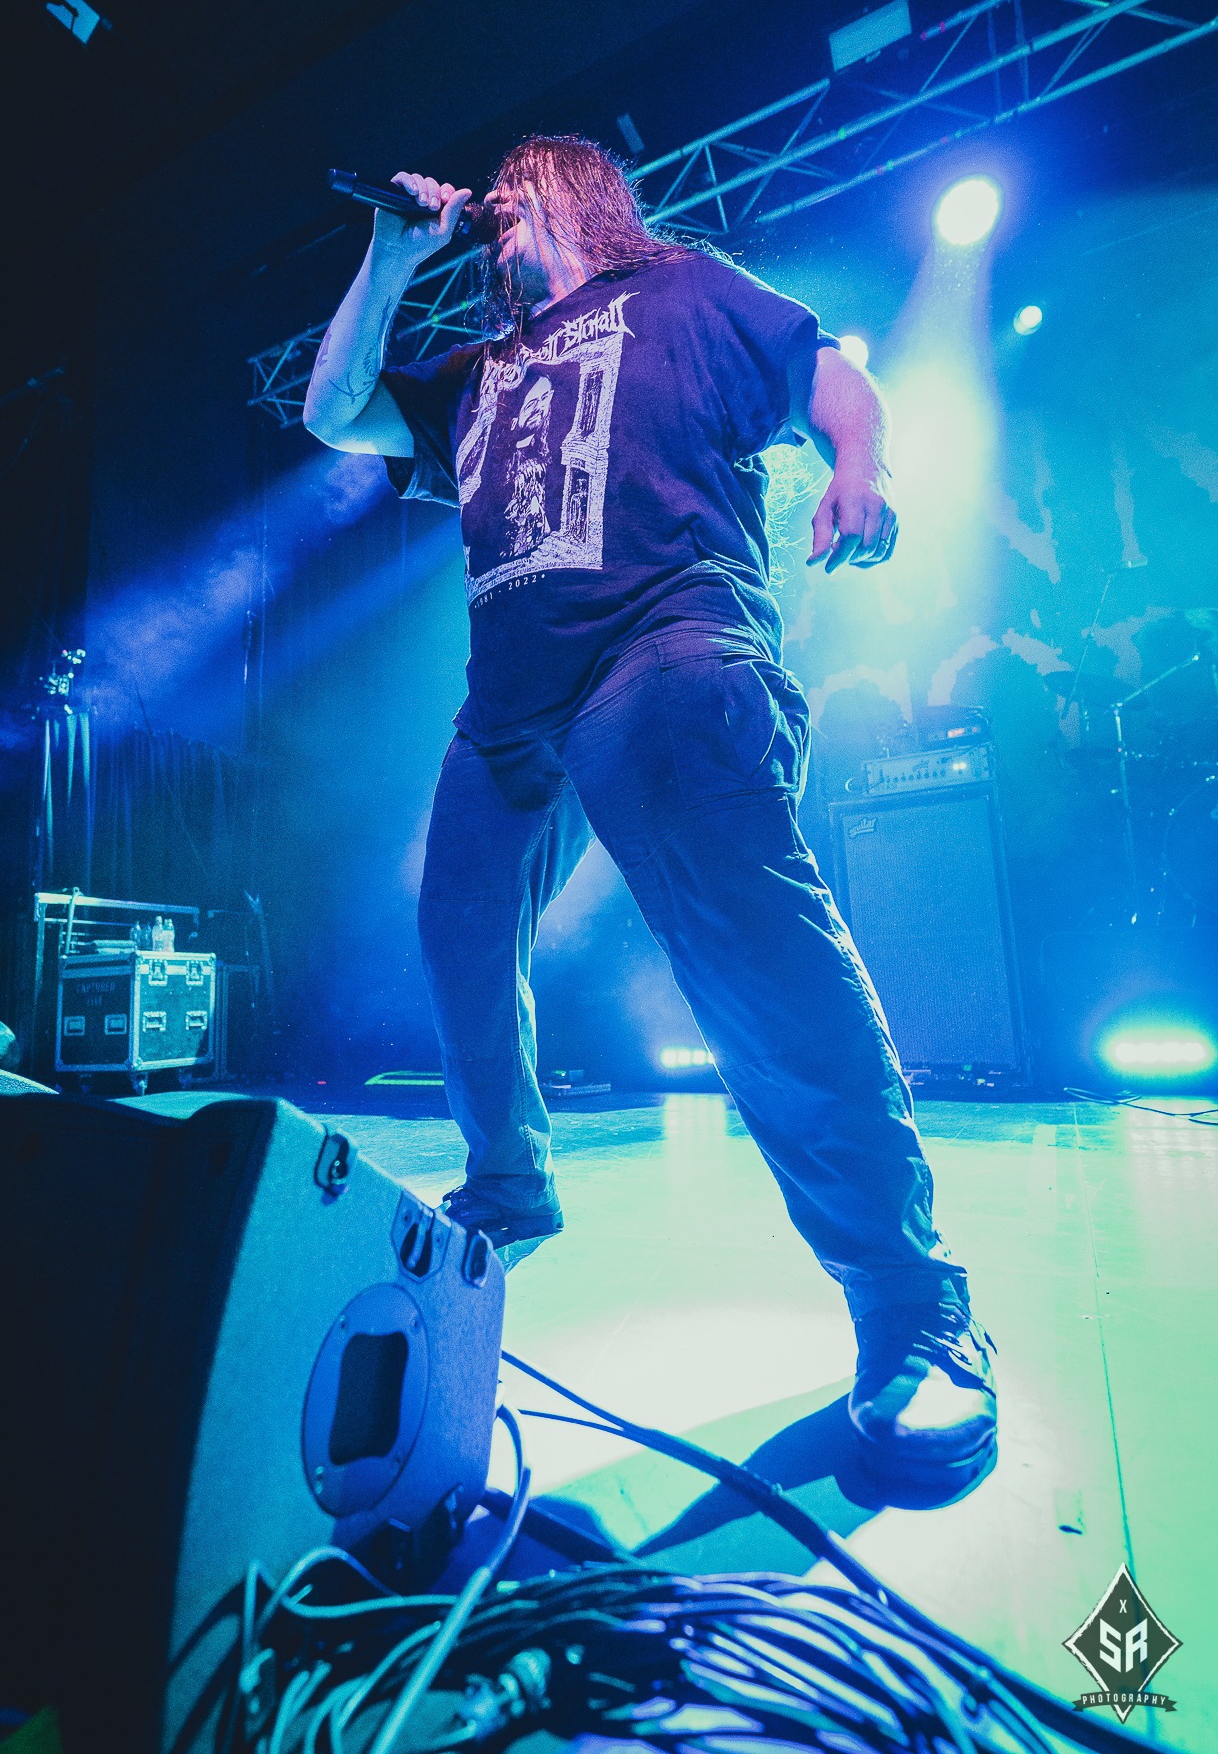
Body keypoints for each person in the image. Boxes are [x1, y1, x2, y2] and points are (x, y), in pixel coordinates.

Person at [304, 135, 995, 1479]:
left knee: (741, 929)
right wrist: (392, 257)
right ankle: (509, 1185)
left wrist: (861, 468)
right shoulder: (476, 371)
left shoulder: (680, 289)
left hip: (664, 641)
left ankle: (911, 1300)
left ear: (576, 192)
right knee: (456, 928)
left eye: (522, 184)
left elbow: (827, 374)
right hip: (512, 705)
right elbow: (337, 411)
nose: (499, 203)